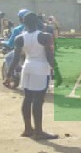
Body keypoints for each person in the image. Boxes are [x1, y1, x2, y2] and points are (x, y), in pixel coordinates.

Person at [3, 12, 58, 140]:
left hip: (27, 68)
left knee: (27, 98)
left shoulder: (20, 38)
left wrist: (9, 75)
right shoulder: (45, 36)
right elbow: (49, 56)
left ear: (23, 23)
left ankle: (28, 129)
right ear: (38, 22)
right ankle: (39, 132)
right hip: (40, 69)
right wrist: (57, 70)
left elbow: (16, 59)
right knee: (38, 101)